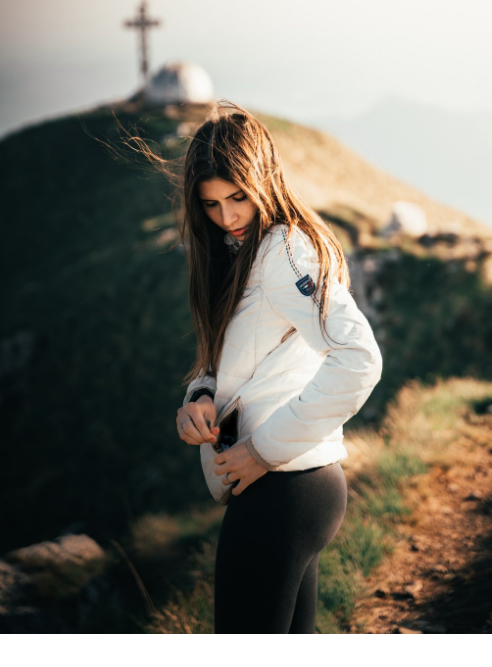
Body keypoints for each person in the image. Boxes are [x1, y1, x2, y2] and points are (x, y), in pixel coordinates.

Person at [139, 103, 382, 632]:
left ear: (264, 180)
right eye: (211, 204)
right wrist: (200, 398)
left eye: (238, 197)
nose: (227, 217)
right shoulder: (238, 252)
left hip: (285, 488)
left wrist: (262, 449)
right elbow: (238, 359)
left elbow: (360, 359)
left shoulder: (285, 251)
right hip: (284, 488)